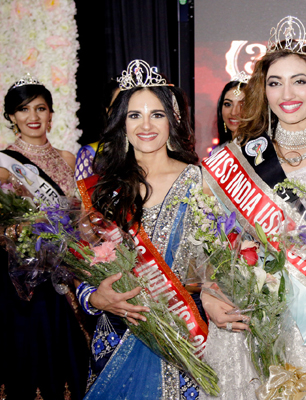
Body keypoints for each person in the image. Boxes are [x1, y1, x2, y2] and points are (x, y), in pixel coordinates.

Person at [200, 16, 306, 399]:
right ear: (263, 90)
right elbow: (210, 237)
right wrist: (209, 291)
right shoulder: (238, 157)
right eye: (275, 82)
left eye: (299, 80)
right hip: (247, 317)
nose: (287, 93)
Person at [76, 59, 208, 399]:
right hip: (118, 331)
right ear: (121, 122)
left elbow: (222, 261)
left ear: (173, 119)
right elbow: (77, 265)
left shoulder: (201, 182)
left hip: (184, 332)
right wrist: (92, 297)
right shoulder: (101, 189)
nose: (145, 125)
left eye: (157, 114)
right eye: (135, 115)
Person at [0, 75, 89, 399]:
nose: (33, 116)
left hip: (70, 271)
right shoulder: (4, 164)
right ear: (12, 116)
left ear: (51, 113)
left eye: (40, 108)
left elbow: (81, 214)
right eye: (23, 109)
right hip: (28, 281)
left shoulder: (67, 158)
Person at [74, 79, 120, 181]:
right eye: (119, 105)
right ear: (108, 111)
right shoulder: (91, 154)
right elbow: (82, 191)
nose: (125, 111)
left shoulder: (151, 150)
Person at [215, 72, 249, 147]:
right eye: (228, 104)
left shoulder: (262, 150)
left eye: (243, 105)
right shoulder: (218, 151)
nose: (234, 112)